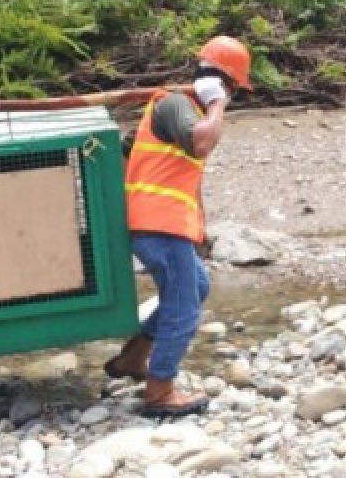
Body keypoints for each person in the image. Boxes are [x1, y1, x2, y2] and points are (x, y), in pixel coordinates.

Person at [105, 35, 252, 416]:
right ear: (226, 82)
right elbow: (201, 143)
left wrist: (198, 232)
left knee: (197, 286)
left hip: (162, 224)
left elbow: (131, 152)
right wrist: (217, 102)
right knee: (184, 305)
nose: (232, 98)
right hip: (158, 226)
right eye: (233, 89)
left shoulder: (174, 106)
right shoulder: (178, 105)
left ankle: (132, 359)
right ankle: (159, 392)